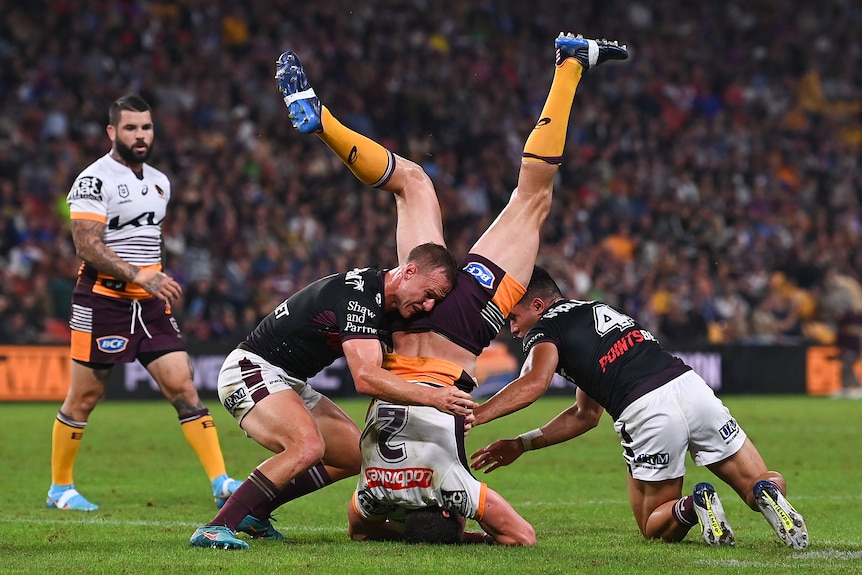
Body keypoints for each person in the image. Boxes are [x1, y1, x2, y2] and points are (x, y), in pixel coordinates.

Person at [297, 32, 624, 545]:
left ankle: (570, 66)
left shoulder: (455, 488)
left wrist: (467, 536)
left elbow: (520, 537)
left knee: (531, 199)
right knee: (413, 183)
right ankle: (324, 124)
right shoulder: (370, 496)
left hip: (464, 328)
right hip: (404, 318)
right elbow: (360, 529)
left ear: (453, 515)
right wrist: (403, 532)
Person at [188, 60, 477, 547]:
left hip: (287, 379)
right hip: (250, 371)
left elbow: (411, 187)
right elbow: (365, 378)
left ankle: (257, 512)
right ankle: (218, 527)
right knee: (307, 445)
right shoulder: (361, 296)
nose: (427, 306)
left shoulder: (384, 299)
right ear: (407, 270)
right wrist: (433, 396)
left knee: (350, 455)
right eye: (428, 294)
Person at [469, 266, 809, 549]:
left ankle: (695, 505)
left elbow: (534, 382)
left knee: (652, 522)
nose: (513, 330)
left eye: (513, 317)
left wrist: (477, 414)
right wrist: (521, 443)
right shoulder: (596, 309)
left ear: (538, 305)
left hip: (646, 409)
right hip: (691, 389)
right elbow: (584, 415)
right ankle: (768, 492)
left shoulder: (544, 328)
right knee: (758, 481)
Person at [49, 94, 243, 511]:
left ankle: (221, 481)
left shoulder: (159, 181)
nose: (140, 135)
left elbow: (143, 241)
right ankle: (60, 488)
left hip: (150, 304)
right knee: (84, 398)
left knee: (183, 385)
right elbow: (86, 246)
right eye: (131, 128)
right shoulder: (92, 180)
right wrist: (139, 274)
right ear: (112, 132)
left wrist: (153, 276)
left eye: (146, 128)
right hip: (102, 301)